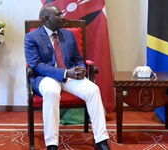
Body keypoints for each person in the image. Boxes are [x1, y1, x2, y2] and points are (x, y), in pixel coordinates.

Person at [24, 5, 111, 150]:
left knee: (93, 90)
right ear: (46, 19)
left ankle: (101, 140)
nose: (63, 16)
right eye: (58, 15)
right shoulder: (31, 38)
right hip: (45, 78)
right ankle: (52, 144)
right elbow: (36, 65)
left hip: (70, 76)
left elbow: (78, 58)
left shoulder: (68, 35)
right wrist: (64, 73)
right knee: (51, 92)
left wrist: (81, 69)